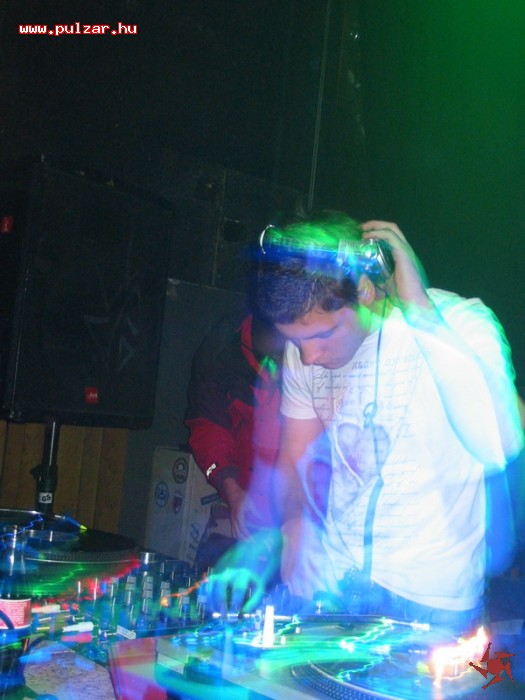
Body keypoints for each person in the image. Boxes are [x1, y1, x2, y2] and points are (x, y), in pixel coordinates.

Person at [253, 211, 524, 634]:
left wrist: (421, 314)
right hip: (334, 594)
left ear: (364, 290)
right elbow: (292, 458)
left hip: (432, 609)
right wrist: (294, 523)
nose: (308, 357)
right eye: (296, 342)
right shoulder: (303, 353)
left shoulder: (462, 323)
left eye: (321, 337)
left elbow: (499, 443)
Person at [185, 310, 285, 545]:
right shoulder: (221, 347)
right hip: (242, 504)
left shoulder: (318, 349)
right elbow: (207, 429)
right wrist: (231, 489)